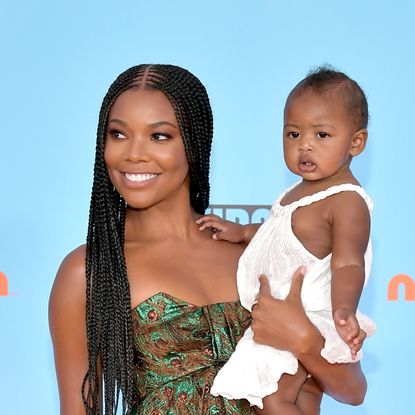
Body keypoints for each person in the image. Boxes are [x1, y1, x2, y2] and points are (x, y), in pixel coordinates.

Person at [49, 64, 368, 415]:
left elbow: (353, 390)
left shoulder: (252, 254)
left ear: (194, 143)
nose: (133, 153)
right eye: (118, 134)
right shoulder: (89, 272)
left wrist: (304, 339)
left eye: (159, 136)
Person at [197, 66, 375, 414]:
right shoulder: (299, 193)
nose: (304, 145)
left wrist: (343, 310)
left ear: (356, 142)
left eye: (322, 135)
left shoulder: (346, 200)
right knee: (303, 397)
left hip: (312, 315)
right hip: (283, 317)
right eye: (293, 134)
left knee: (274, 399)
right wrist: (242, 232)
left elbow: (349, 262)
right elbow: (279, 235)